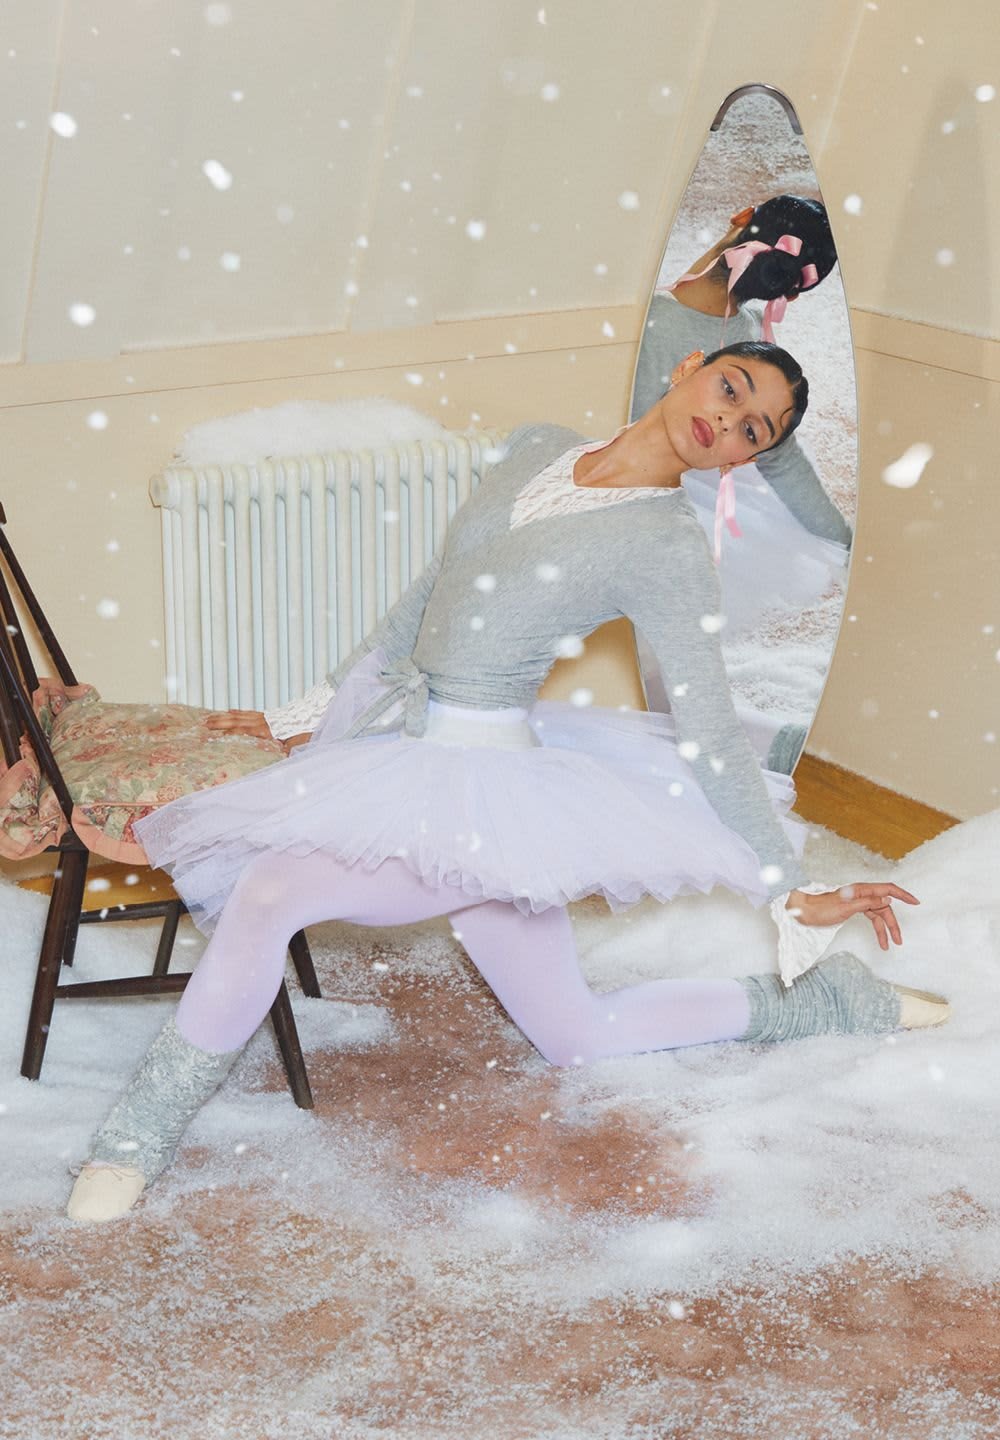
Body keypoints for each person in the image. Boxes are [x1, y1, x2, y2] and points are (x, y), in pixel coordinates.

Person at [67, 342, 947, 1223]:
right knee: (575, 1034)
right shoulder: (538, 448)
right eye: (731, 388)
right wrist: (308, 713)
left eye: (753, 429)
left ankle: (133, 1138)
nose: (728, 419)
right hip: (410, 747)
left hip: (488, 787)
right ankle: (825, 1002)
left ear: (742, 458)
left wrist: (790, 889)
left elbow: (711, 727)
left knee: (267, 893)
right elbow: (424, 598)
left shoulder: (667, 545)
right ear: (687, 367)